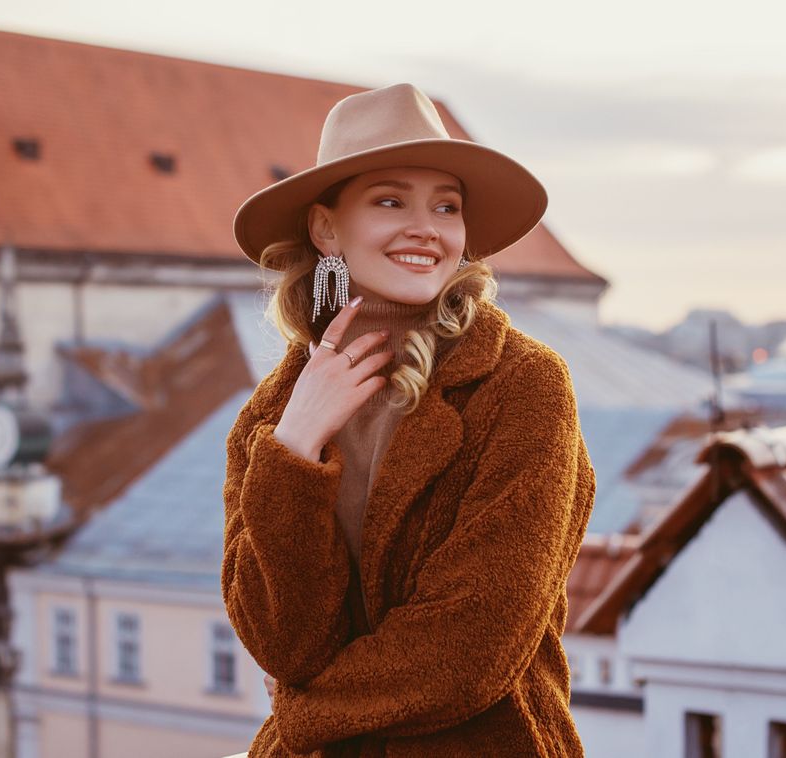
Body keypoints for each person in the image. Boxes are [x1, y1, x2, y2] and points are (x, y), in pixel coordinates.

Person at [222, 82, 597, 757]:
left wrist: (298, 725)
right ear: (325, 228)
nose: (426, 226)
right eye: (390, 200)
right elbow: (281, 642)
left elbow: (471, 646)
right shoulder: (273, 414)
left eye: (446, 206)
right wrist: (295, 448)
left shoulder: (521, 384)